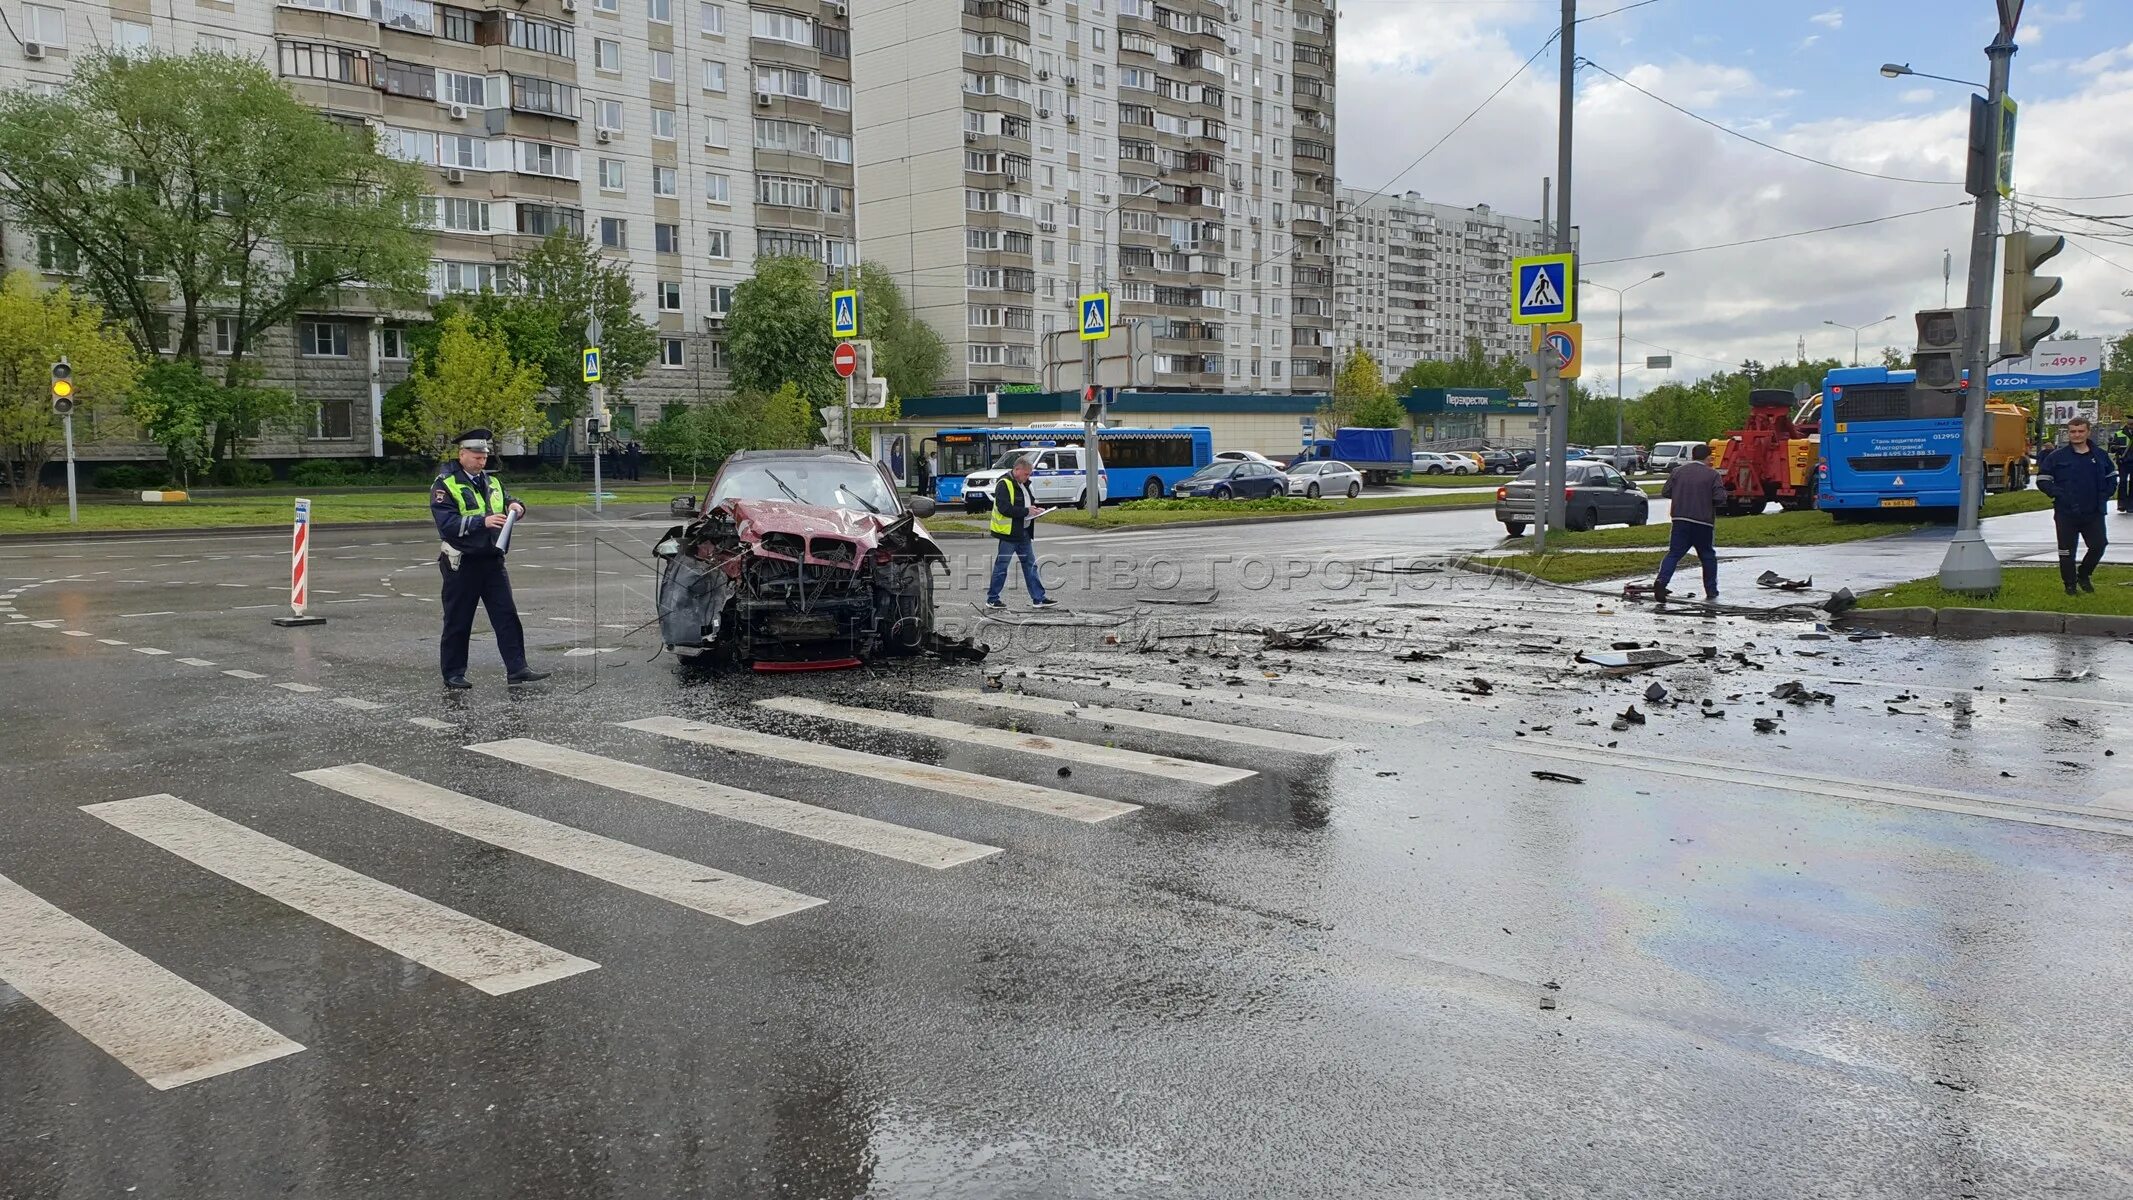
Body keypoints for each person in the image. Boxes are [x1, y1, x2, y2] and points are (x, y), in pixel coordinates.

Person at [432, 429, 550, 689]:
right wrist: (481, 522)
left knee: (506, 615)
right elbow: (447, 524)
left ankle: (517, 668)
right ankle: (453, 673)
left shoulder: (491, 481)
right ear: (462, 454)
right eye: (476, 456)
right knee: (459, 619)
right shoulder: (446, 483)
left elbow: (506, 499)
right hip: (462, 561)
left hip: (492, 559)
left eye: (484, 456)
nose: (481, 461)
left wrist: (516, 507)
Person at [2038, 415, 2117, 595]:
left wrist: (2105, 494)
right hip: (2066, 512)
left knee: (2099, 545)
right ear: (2068, 433)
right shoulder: (2056, 457)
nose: (2077, 435)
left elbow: (2112, 477)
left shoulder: (2100, 455)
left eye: (2081, 431)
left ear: (2088, 432)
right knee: (2066, 552)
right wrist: (2058, 493)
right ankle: (2070, 586)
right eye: (2073, 431)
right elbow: (2043, 479)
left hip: (2094, 511)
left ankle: (2083, 574)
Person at [1651, 443, 1728, 602]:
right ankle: (1711, 590)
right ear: (1708, 457)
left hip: (1680, 520)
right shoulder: (1712, 475)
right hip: (1703, 522)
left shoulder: (1677, 472)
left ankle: (1661, 581)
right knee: (1707, 555)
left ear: (1693, 456)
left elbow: (1666, 492)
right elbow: (1719, 498)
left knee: (1674, 553)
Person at [986, 457, 1055, 609]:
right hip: (1009, 534)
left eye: (1029, 474)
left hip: (1023, 532)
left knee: (1030, 566)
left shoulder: (1023, 484)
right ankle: (992, 598)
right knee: (1002, 567)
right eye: (1026, 474)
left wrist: (1035, 510)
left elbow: (1026, 504)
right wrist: (1026, 511)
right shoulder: (1004, 484)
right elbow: (1004, 508)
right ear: (1016, 470)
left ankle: (1039, 598)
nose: (1028, 477)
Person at [2109, 419, 2133, 514]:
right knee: (2122, 482)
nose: (2131, 426)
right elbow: (2111, 449)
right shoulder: (2119, 434)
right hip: (2123, 462)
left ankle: (2131, 504)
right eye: (2130, 424)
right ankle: (2122, 504)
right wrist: (2114, 448)